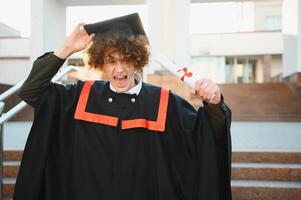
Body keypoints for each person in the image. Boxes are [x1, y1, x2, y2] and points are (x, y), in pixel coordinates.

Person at [14, 13, 232, 200]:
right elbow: (31, 91)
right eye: (111, 60)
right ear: (101, 62)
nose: (119, 69)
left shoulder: (163, 102)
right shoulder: (81, 97)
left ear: (137, 60)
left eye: (126, 59)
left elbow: (205, 137)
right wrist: (67, 48)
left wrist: (214, 102)